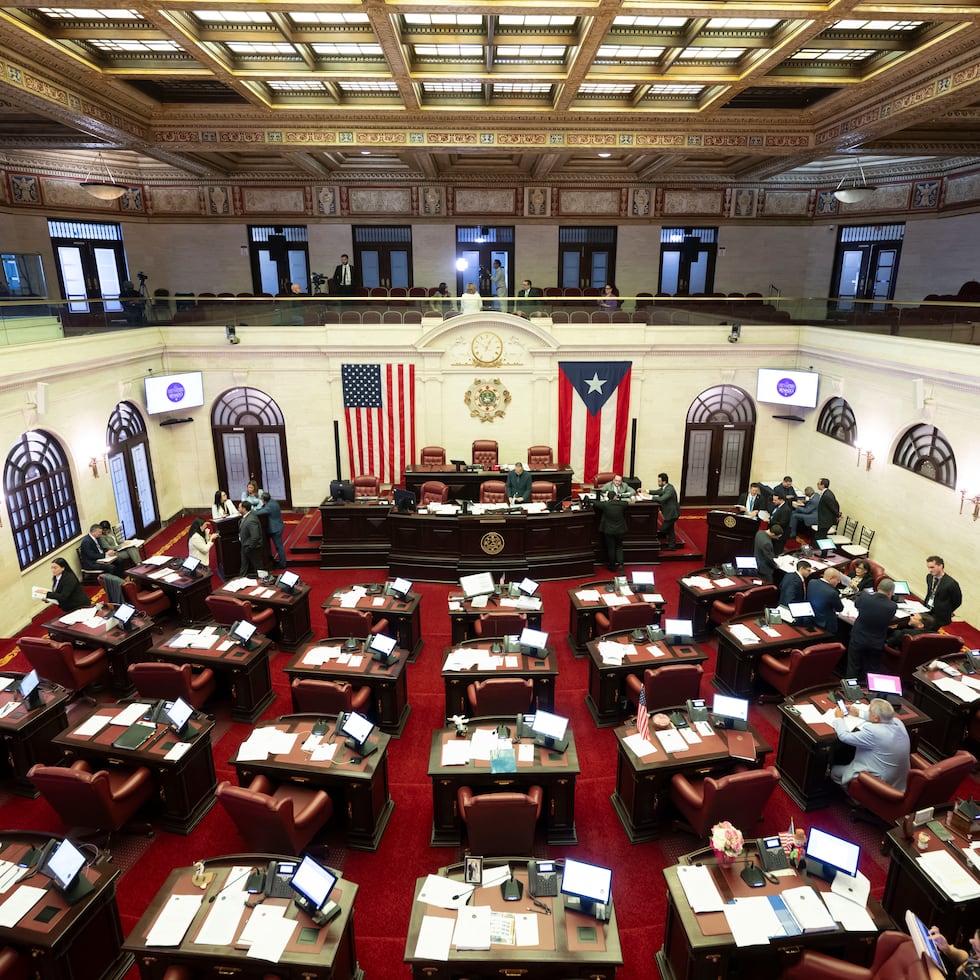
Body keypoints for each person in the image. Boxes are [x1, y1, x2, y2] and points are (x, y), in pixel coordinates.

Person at [830, 697, 910, 793]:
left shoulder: (873, 732)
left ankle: (856, 799)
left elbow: (844, 736)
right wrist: (858, 713)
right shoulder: (898, 722)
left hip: (879, 780)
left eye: (869, 711)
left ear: (876, 717)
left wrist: (839, 718)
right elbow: (880, 718)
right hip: (899, 780)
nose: (868, 712)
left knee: (834, 772)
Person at [845, 578, 898, 681]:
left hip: (858, 637)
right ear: (891, 592)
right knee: (874, 668)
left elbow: (856, 604)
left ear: (877, 588)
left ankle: (850, 690)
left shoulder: (865, 598)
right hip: (876, 641)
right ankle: (872, 692)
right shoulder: (892, 606)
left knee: (853, 665)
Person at [595, 490, 630, 574]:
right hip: (620, 530)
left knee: (611, 548)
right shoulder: (622, 504)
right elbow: (626, 503)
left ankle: (612, 566)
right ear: (615, 497)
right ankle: (621, 565)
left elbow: (596, 504)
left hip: (609, 530)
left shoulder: (605, 505)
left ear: (608, 497)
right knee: (619, 547)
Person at [925, 555, 962, 627]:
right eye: (928, 567)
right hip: (928, 610)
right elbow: (930, 593)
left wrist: (948, 610)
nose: (930, 570)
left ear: (941, 566)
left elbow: (957, 601)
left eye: (932, 567)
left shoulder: (951, 583)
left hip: (940, 616)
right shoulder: (929, 577)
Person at [807, 568, 844, 634]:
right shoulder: (832, 592)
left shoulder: (812, 582)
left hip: (811, 618)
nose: (838, 582)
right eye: (838, 580)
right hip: (825, 624)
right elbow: (840, 609)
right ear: (831, 578)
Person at [649, 472, 680, 550]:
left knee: (663, 530)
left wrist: (650, 497)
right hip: (669, 513)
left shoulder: (669, 489)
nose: (658, 483)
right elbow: (657, 492)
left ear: (664, 482)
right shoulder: (665, 487)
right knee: (670, 530)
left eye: (659, 481)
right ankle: (672, 546)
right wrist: (646, 491)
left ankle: (661, 544)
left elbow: (662, 499)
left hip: (672, 513)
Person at [257, 490, 287, 569]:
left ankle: (283, 564)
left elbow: (259, 513)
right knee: (277, 546)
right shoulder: (273, 502)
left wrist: (251, 511)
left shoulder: (269, 507)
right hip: (279, 526)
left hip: (275, 529)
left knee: (278, 546)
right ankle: (274, 559)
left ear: (263, 500)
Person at [237, 500, 263, 577]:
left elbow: (255, 536)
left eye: (239, 507)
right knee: (244, 566)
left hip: (252, 548)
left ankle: (264, 582)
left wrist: (250, 547)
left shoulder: (251, 520)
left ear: (244, 509)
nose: (238, 509)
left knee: (259, 568)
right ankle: (241, 580)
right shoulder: (245, 518)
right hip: (245, 546)